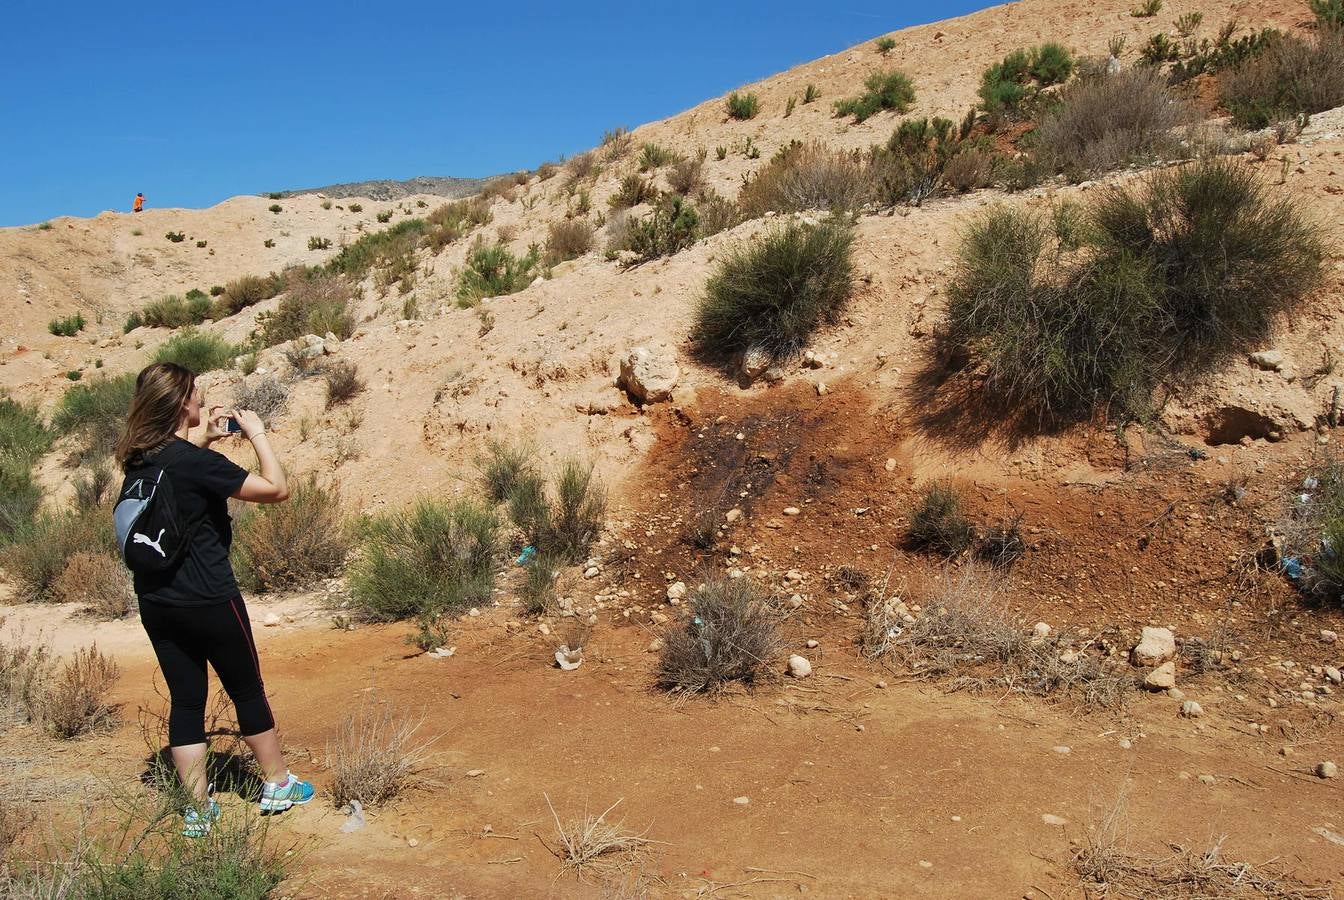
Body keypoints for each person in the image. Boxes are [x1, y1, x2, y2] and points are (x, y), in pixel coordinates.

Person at [114, 362, 314, 837]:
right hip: (210, 598)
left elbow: (179, 472)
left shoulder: (140, 457)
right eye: (196, 394)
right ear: (183, 402)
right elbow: (276, 489)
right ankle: (278, 784)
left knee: (187, 701)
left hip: (157, 601)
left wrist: (202, 439)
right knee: (246, 688)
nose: (202, 399)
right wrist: (258, 434)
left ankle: (198, 810)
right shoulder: (194, 464)